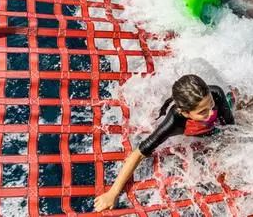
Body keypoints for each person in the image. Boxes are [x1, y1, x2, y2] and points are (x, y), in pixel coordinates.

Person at [93, 74, 235, 211]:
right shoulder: (175, 121)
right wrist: (113, 193)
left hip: (211, 127)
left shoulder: (215, 93)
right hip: (192, 127)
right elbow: (138, 154)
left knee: (236, 106)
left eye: (211, 105)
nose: (211, 112)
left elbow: (229, 128)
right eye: (203, 111)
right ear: (185, 113)